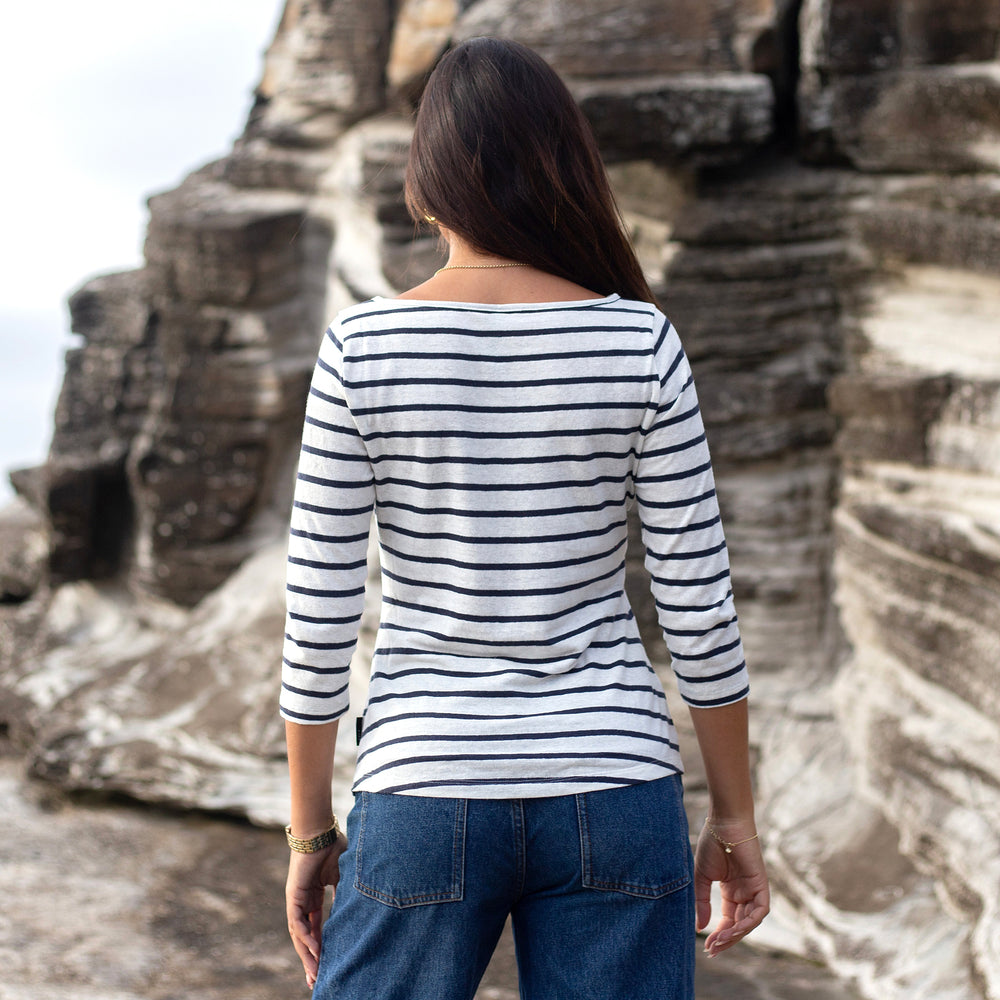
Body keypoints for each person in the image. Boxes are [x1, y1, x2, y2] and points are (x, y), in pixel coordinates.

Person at [280, 36, 768, 1000]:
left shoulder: (362, 347)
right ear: (563, 170)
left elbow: (320, 615)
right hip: (615, 779)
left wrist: (309, 832)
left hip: (423, 778)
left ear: (425, 187)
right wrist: (735, 821)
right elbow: (699, 608)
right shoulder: (639, 340)